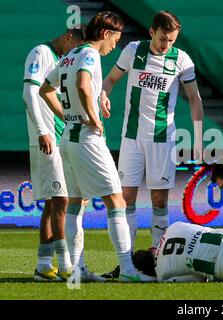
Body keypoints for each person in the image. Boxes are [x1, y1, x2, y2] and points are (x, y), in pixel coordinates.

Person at [39, 11, 153, 282]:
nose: (116, 45)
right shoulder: (89, 55)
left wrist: (69, 116)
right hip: (87, 139)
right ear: (104, 33)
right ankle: (127, 270)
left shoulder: (68, 55)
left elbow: (46, 89)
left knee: (76, 204)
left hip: (68, 137)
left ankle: (77, 269)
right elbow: (82, 85)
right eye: (116, 38)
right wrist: (92, 117)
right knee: (116, 200)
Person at [101, 10, 204, 252]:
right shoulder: (133, 50)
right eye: (162, 39)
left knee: (160, 200)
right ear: (151, 32)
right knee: (126, 200)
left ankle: (158, 256)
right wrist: (103, 95)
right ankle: (126, 260)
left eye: (171, 40)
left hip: (162, 139)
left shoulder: (182, 60)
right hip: (132, 138)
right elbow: (111, 79)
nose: (166, 44)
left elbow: (195, 99)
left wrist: (198, 136)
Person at [23, 26, 85, 281]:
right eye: (75, 48)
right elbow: (29, 93)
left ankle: (43, 264)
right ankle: (67, 264)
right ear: (69, 37)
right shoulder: (40, 53)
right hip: (47, 138)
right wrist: (42, 131)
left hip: (62, 138)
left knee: (54, 201)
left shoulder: (62, 60)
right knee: (61, 199)